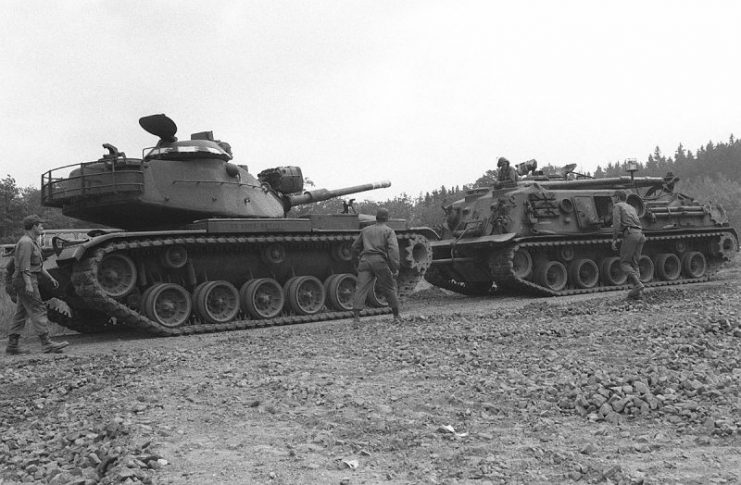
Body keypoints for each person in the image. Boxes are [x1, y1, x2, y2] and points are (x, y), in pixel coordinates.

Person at [6, 214, 69, 355]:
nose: (42, 227)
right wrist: (28, 284)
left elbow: (38, 266)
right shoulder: (26, 243)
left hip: (26, 279)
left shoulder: (32, 242)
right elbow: (24, 266)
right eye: (40, 225)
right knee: (38, 308)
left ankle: (12, 345)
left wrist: (50, 278)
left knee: (21, 312)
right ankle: (47, 344)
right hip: (25, 279)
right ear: (34, 226)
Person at [351, 208, 402, 324]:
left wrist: (356, 261)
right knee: (389, 288)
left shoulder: (365, 230)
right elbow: (393, 251)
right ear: (387, 218)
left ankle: (356, 319)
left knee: (360, 288)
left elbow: (354, 247)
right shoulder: (388, 231)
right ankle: (396, 316)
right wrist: (395, 268)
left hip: (365, 261)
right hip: (380, 262)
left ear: (376, 218)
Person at [611, 191, 647, 300]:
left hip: (630, 234)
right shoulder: (631, 207)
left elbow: (616, 224)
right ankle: (638, 293)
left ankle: (638, 285)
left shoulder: (617, 206)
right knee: (635, 263)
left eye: (613, 197)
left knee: (624, 263)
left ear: (617, 198)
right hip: (640, 234)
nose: (612, 199)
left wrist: (614, 240)